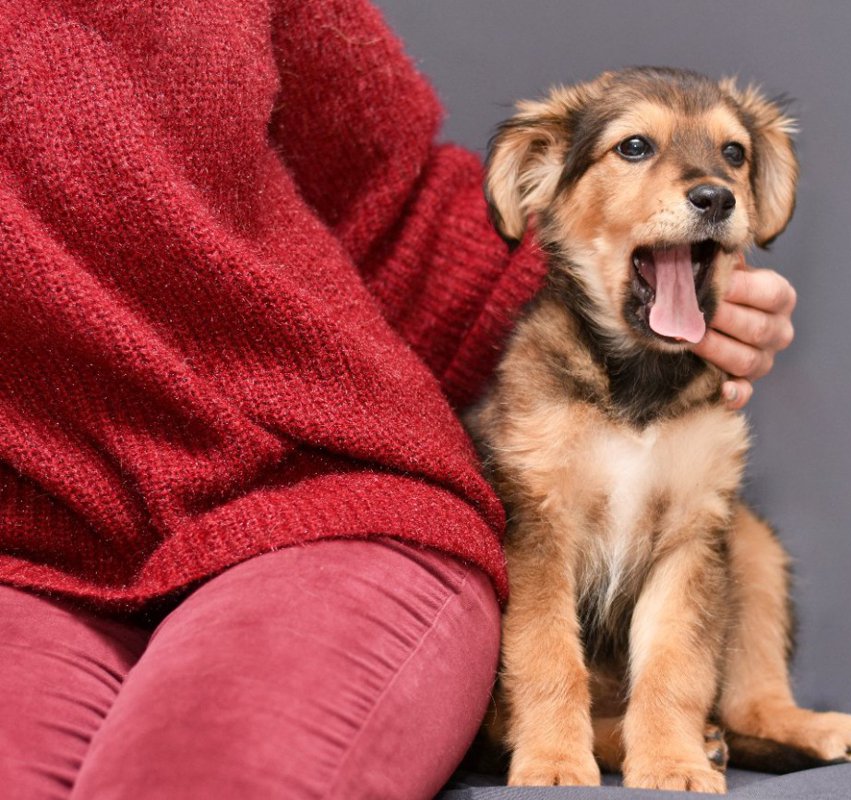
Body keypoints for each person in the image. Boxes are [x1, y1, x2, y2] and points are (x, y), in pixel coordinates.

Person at [0, 0, 797, 797]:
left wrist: (609, 291)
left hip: (323, 500)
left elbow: (392, 202)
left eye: (729, 160)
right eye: (636, 148)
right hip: (28, 558)